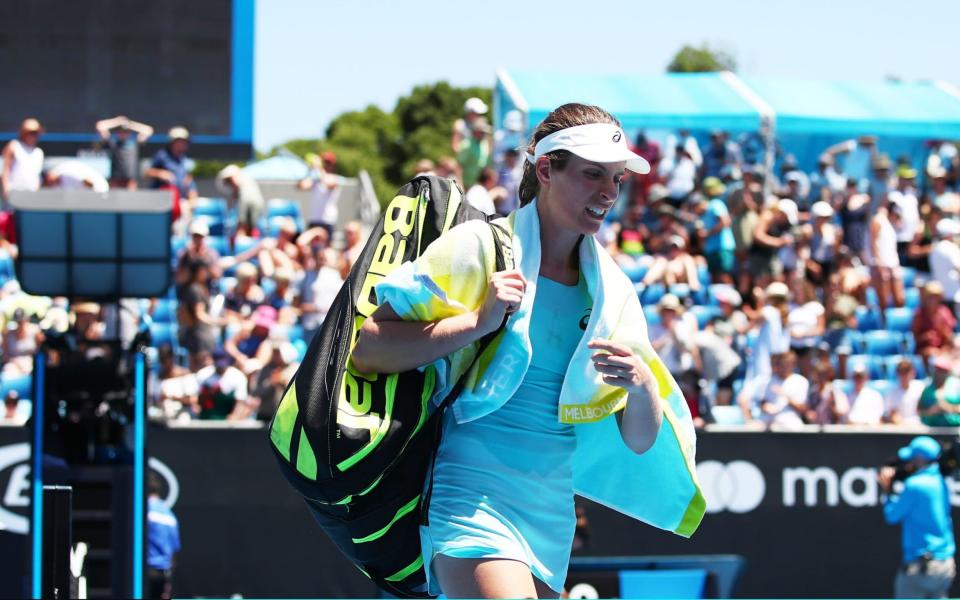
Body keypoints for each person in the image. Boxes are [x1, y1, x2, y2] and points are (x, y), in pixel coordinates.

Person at [352, 103, 701, 598]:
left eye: (617, 179)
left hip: (550, 511)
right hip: (470, 495)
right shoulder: (476, 246)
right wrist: (476, 322)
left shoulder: (613, 291)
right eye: (592, 174)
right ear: (545, 171)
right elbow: (369, 348)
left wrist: (643, 385)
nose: (608, 192)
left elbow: (640, 440)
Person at [878, 436, 956, 598]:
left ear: (919, 459)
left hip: (922, 567)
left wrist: (887, 489)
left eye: (912, 458)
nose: (909, 463)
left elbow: (892, 515)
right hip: (944, 566)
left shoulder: (914, 485)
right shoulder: (940, 481)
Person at [147, 127, 198, 222]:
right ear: (172, 142)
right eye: (179, 141)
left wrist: (193, 197)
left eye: (184, 142)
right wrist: (160, 173)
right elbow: (147, 172)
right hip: (162, 204)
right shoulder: (161, 156)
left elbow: (190, 183)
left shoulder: (185, 161)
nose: (182, 144)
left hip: (180, 205)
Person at [95, 115, 153, 189]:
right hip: (115, 180)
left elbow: (148, 130)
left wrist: (129, 124)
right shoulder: (113, 143)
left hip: (130, 181)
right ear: (117, 133)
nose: (123, 134)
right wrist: (118, 121)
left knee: (131, 199)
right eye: (120, 131)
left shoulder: (134, 144)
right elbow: (100, 126)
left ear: (129, 133)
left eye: (125, 132)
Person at [146, 473, 180, 600]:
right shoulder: (170, 515)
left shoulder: (144, 509)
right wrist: (168, 581)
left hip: (146, 571)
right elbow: (173, 554)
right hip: (163, 574)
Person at [297, 151, 341, 239]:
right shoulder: (315, 180)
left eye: (328, 163)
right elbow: (301, 185)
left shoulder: (334, 178)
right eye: (324, 162)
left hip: (327, 220)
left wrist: (319, 169)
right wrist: (309, 171)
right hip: (314, 219)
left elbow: (328, 183)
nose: (326, 165)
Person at [1, 118, 44, 203]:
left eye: (35, 133)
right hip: (14, 193)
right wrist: (6, 190)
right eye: (30, 132)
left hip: (32, 195)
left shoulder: (39, 152)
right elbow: (5, 169)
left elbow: (37, 176)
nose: (33, 135)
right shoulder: (14, 146)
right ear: (23, 133)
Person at [215, 164, 265, 235]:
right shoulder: (247, 180)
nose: (229, 183)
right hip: (257, 206)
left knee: (244, 227)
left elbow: (242, 223)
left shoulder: (243, 189)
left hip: (251, 206)